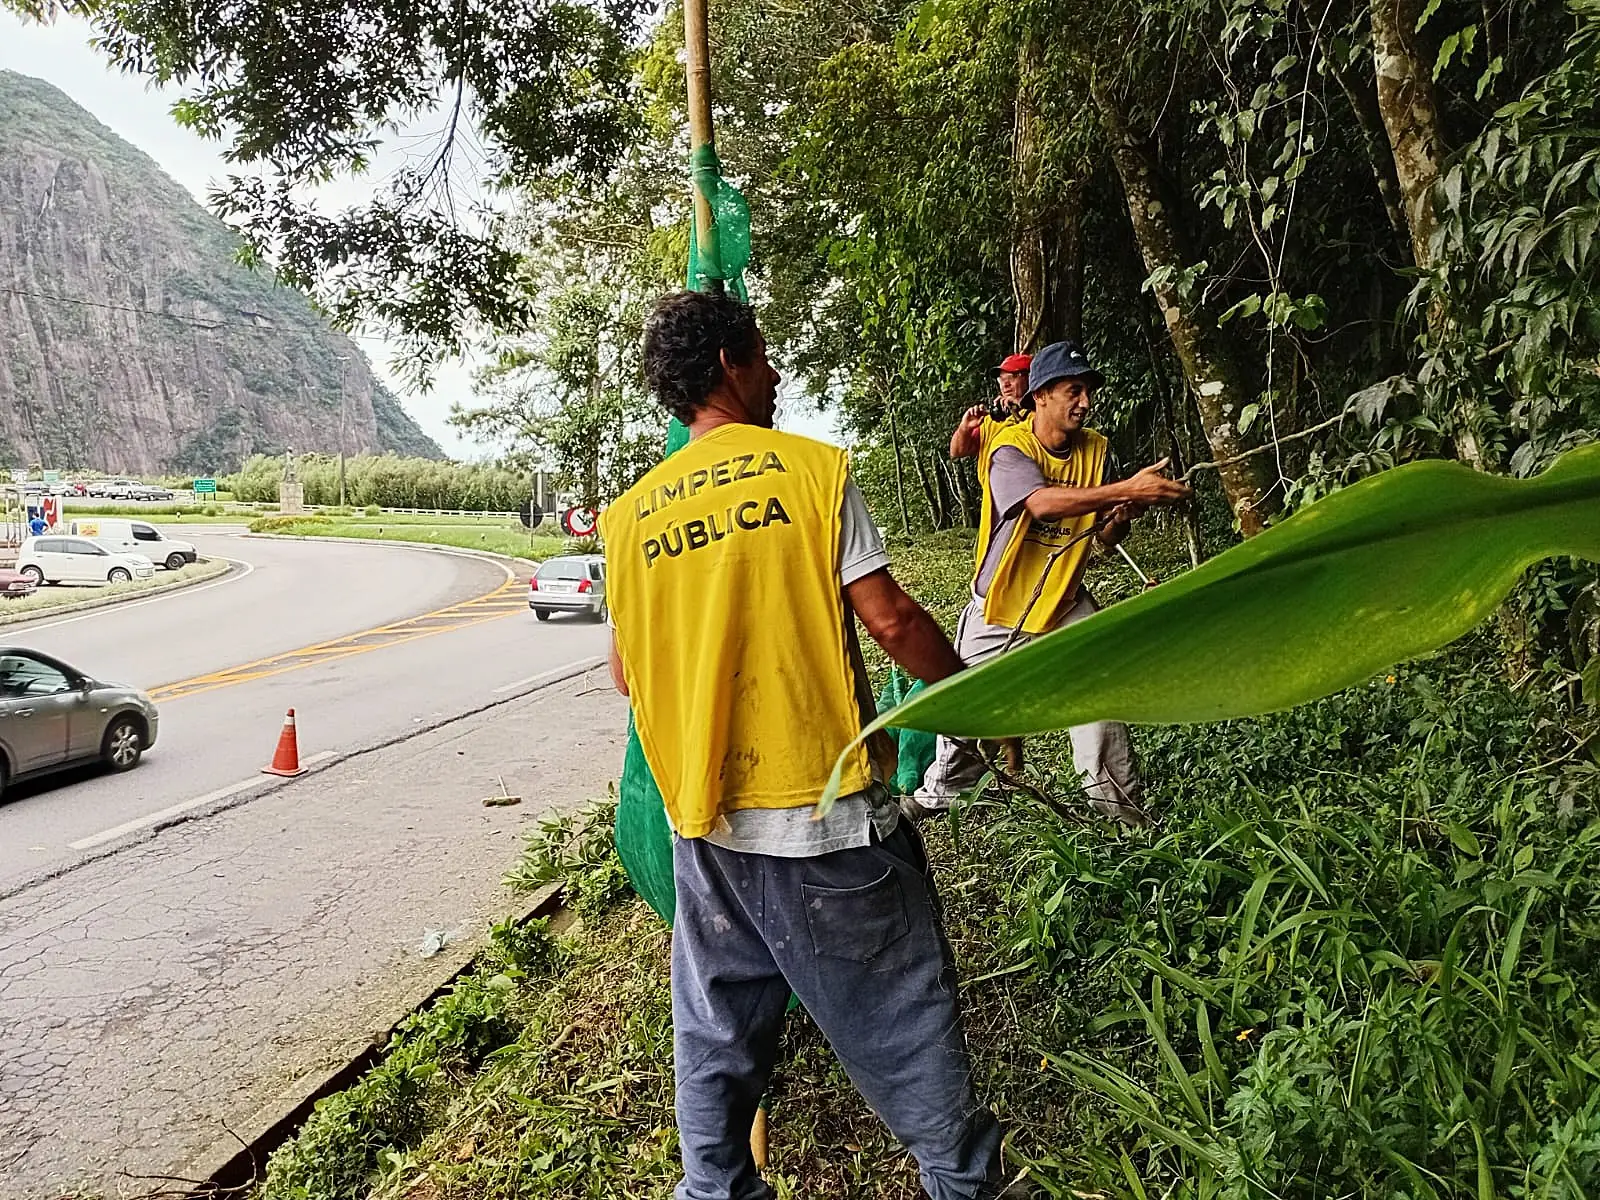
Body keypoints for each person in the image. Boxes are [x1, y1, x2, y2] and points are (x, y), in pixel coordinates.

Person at [603, 290, 1015, 1200]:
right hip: (824, 825)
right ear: (728, 364)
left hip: (705, 831)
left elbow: (627, 678)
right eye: (763, 353)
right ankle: (965, 1184)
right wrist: (981, 709)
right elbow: (893, 619)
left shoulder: (627, 519)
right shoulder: (810, 472)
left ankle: (714, 1191)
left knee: (716, 1034)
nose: (777, 371)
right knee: (903, 1022)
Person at [910, 340, 1192, 822]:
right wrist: (1127, 488)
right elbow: (1039, 504)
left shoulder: (1096, 449)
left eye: (1088, 391)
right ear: (1039, 395)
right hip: (1003, 603)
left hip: (1065, 600)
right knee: (967, 705)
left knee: (1099, 696)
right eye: (1073, 391)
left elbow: (1104, 537)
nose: (1085, 402)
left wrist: (1123, 513)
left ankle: (1120, 813)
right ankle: (941, 795)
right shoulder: (1009, 447)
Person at [949, 352, 1031, 483]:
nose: (1005, 384)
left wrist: (1022, 405)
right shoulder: (990, 421)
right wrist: (965, 428)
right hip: (991, 495)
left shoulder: (1043, 415)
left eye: (1013, 377)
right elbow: (957, 452)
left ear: (1029, 378)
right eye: (1001, 379)